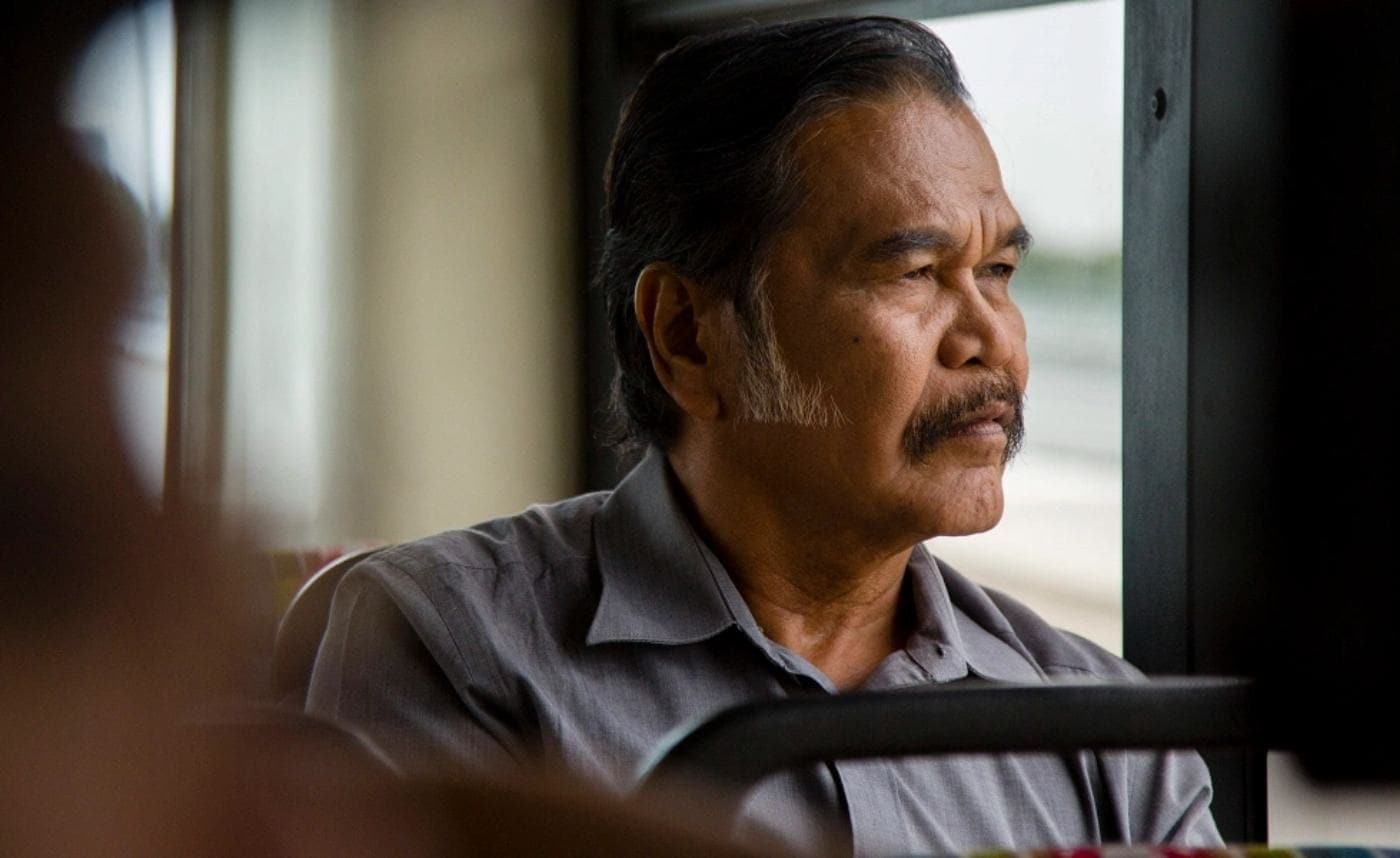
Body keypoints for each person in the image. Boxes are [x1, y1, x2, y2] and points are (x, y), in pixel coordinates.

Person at [305, 16, 1220, 855]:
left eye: (1000, 270)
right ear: (688, 337)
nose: (992, 341)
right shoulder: (452, 646)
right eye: (913, 272)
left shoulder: (1107, 732)